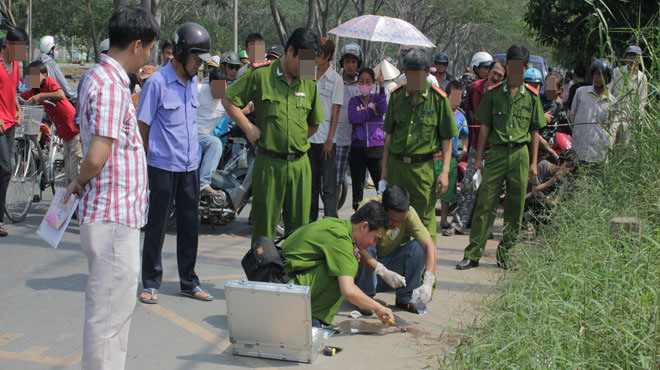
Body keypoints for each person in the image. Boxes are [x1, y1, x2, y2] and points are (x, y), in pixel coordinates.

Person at [63, 7, 160, 369]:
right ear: (137, 45)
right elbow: (97, 155)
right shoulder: (110, 87)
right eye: (149, 48)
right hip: (113, 215)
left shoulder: (98, 78)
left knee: (112, 316)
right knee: (108, 317)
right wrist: (79, 180)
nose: (149, 56)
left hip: (113, 214)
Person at [223, 28, 325, 245]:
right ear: (290, 51)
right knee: (264, 230)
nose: (307, 67)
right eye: (304, 60)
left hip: (299, 167)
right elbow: (228, 100)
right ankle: (260, 276)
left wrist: (293, 141)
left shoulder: (308, 79)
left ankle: (293, 277)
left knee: (299, 233)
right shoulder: (261, 74)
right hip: (269, 164)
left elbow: (314, 123)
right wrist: (249, 128)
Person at [137, 22, 214, 305]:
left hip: (189, 166)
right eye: (196, 58)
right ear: (181, 53)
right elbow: (143, 126)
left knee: (189, 224)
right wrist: (145, 165)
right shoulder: (157, 82)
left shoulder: (194, 83)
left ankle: (188, 280)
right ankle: (151, 281)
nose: (199, 65)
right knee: (157, 225)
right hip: (162, 165)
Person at [456, 45, 546, 271]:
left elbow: (535, 131)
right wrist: (478, 160)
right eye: (512, 66)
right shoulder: (494, 94)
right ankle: (473, 253)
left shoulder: (532, 97)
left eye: (520, 67)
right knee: (485, 204)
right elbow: (484, 126)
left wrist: (534, 163)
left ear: (525, 69)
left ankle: (505, 255)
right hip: (495, 153)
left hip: (520, 155)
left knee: (515, 207)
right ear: (507, 66)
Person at [381, 47, 457, 243]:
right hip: (397, 168)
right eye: (409, 75)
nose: (413, 80)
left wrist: (444, 172)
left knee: (424, 222)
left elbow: (446, 139)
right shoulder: (397, 97)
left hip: (423, 171)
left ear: (426, 73)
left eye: (418, 75)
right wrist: (384, 171)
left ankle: (427, 272)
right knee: (395, 221)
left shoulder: (438, 100)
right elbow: (388, 137)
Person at [282, 200, 394, 326]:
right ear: (364, 226)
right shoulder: (341, 238)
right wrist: (378, 308)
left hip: (284, 281)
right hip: (285, 292)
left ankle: (310, 317)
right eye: (375, 238)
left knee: (345, 264)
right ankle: (310, 320)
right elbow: (349, 291)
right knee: (343, 269)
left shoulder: (338, 225)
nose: (373, 245)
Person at [443, 59, 506, 236]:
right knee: (468, 186)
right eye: (494, 72)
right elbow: (470, 115)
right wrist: (471, 145)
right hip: (476, 146)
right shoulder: (474, 88)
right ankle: (458, 224)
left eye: (500, 76)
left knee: (490, 189)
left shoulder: (503, 93)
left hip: (495, 148)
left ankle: (485, 227)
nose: (495, 77)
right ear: (488, 72)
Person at [354, 186, 436, 314]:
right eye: (391, 219)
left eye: (400, 221)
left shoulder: (409, 214)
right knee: (366, 245)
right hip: (363, 271)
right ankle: (365, 298)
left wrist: (428, 281)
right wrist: (382, 271)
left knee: (419, 248)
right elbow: (357, 245)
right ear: (382, 208)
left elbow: (430, 246)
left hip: (391, 272)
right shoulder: (368, 209)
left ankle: (405, 298)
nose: (395, 224)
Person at [21, 60, 82, 184]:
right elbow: (19, 97)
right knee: (69, 171)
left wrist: (41, 96)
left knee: (76, 168)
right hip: (64, 134)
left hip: (75, 130)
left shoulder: (48, 82)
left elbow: (60, 94)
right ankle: (70, 200)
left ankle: (79, 200)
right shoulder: (33, 91)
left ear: (44, 75)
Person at [308, 37, 343, 221]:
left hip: (326, 141)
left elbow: (336, 111)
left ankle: (330, 223)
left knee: (328, 186)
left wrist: (330, 139)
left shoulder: (336, 79)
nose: (315, 57)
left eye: (319, 54)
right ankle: (310, 224)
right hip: (308, 138)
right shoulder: (307, 72)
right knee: (311, 185)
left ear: (328, 56)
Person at [0, 25, 27, 237]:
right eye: (18, 48)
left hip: (11, 123)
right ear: (8, 44)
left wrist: (18, 110)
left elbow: (13, 91)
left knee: (4, 171)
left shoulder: (16, 65)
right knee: (6, 169)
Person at [347, 67, 386, 210]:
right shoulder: (353, 101)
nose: (364, 84)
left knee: (380, 185)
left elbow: (382, 109)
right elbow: (353, 118)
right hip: (358, 148)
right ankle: (357, 213)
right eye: (362, 81)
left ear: (373, 82)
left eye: (368, 81)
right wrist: (370, 111)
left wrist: (382, 87)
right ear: (358, 83)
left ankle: (382, 214)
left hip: (377, 148)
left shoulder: (377, 98)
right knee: (357, 186)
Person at [570, 59, 619, 165]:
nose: (597, 78)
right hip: (579, 149)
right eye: (595, 74)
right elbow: (572, 115)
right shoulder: (581, 93)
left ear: (607, 77)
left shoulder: (612, 102)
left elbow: (612, 128)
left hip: (598, 153)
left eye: (601, 74)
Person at [437, 81, 469, 229]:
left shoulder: (461, 118)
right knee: (432, 188)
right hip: (435, 157)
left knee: (447, 191)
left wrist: (465, 150)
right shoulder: (439, 111)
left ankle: (444, 219)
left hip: (453, 158)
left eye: (460, 96)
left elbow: (465, 135)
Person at [335, 43, 362, 207]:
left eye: (353, 61)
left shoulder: (364, 83)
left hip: (358, 140)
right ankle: (333, 213)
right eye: (347, 62)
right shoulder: (335, 81)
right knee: (336, 181)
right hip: (339, 138)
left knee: (359, 182)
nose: (350, 65)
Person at [196, 66, 226, 195]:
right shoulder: (198, 90)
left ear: (226, 84)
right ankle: (203, 183)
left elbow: (238, 112)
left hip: (204, 138)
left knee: (215, 143)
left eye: (222, 87)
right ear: (209, 84)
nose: (218, 91)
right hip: (190, 134)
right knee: (215, 143)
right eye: (215, 87)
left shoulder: (227, 100)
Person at [609, 45, 648, 118]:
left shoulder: (642, 78)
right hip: (616, 115)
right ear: (626, 58)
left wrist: (639, 117)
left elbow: (642, 101)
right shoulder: (617, 72)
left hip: (633, 117)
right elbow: (608, 91)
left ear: (640, 60)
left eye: (635, 57)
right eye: (630, 56)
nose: (632, 59)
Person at [37, 35, 77, 102]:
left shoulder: (34, 62)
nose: (56, 50)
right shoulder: (52, 64)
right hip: (51, 102)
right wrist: (76, 96)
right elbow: (66, 89)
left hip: (37, 101)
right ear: (51, 49)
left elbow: (30, 88)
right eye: (55, 48)